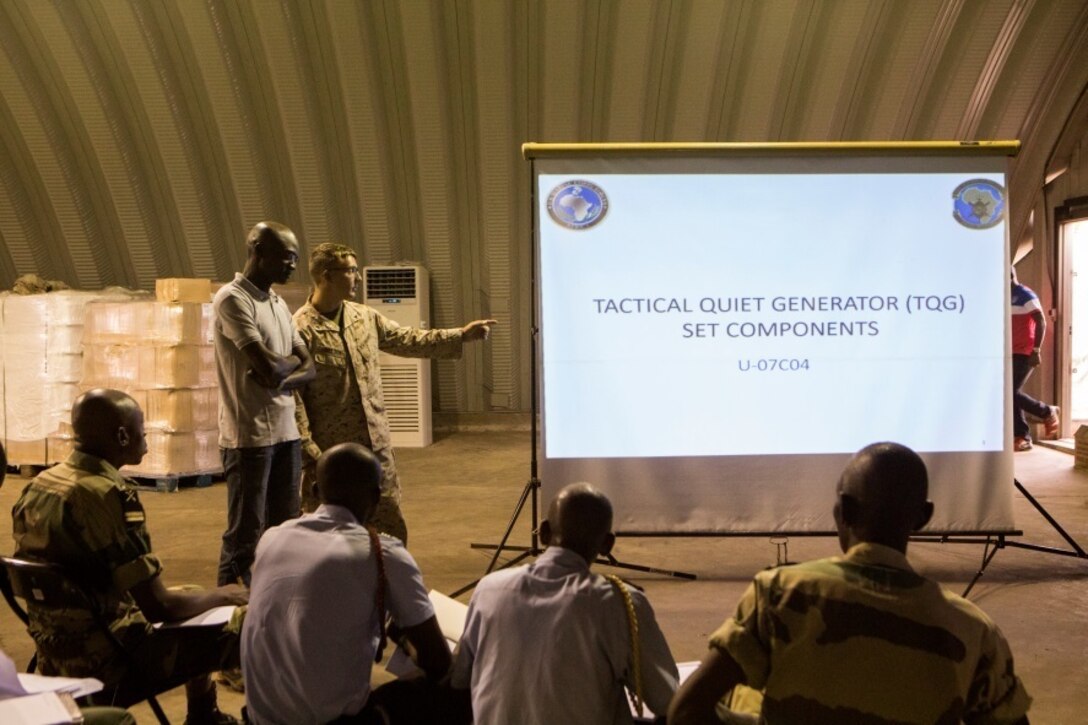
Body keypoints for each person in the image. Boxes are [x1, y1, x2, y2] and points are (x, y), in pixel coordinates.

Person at [668, 442, 1032, 725]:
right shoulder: (972, 630)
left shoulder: (780, 593)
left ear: (843, 510)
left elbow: (686, 712)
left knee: (742, 693)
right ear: (923, 518)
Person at [11, 389, 248, 725]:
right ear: (122, 436)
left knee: (194, 592)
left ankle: (204, 715)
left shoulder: (40, 485)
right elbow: (159, 606)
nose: (146, 437)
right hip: (110, 661)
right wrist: (226, 595)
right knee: (246, 620)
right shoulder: (108, 495)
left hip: (55, 656)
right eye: (142, 430)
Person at [293, 242, 496, 542]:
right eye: (350, 271)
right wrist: (311, 455)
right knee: (331, 536)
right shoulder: (300, 329)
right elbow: (294, 399)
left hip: (375, 448)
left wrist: (460, 336)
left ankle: (387, 572)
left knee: (389, 528)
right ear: (326, 276)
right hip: (333, 456)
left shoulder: (364, 317)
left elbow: (407, 339)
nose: (357, 277)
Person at [241, 442, 451, 725]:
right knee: (455, 685)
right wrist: (403, 639)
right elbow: (438, 661)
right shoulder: (383, 554)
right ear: (376, 497)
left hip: (260, 720)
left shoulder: (271, 539)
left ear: (316, 491)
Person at [451, 482, 679, 724]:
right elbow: (667, 699)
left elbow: (458, 679)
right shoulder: (619, 603)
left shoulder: (489, 589)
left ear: (544, 532)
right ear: (607, 544)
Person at [213, 221, 315, 586]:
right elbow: (269, 365)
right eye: (286, 257)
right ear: (258, 251)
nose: (292, 265)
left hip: (287, 434)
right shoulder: (232, 299)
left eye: (296, 258)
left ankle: (275, 598)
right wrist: (284, 366)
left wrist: (280, 373)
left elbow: (309, 366)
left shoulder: (278, 303)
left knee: (284, 531)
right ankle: (227, 611)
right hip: (249, 438)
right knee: (244, 535)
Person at [1011, 266, 1059, 451]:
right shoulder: (1003, 296)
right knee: (1011, 393)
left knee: (1009, 392)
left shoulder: (1025, 294)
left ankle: (1046, 411)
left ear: (1010, 276)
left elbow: (1041, 321)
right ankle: (1023, 436)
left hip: (1025, 351)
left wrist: (1036, 350)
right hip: (1009, 351)